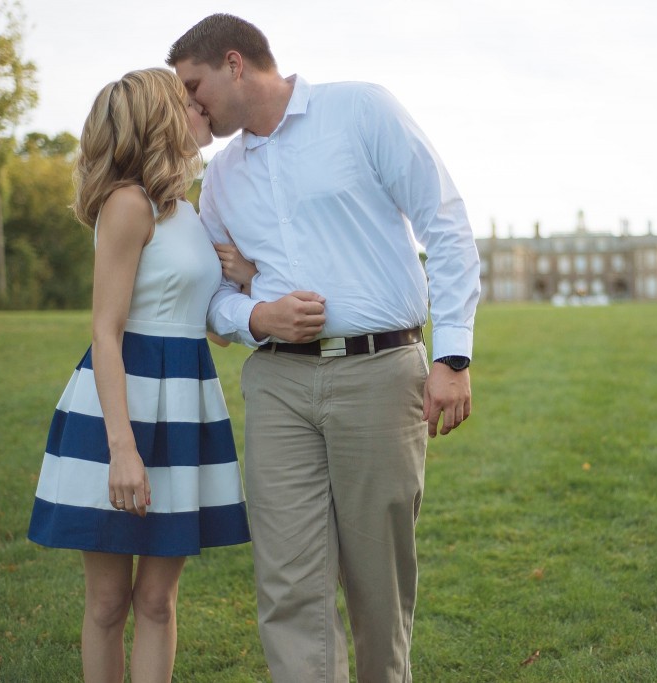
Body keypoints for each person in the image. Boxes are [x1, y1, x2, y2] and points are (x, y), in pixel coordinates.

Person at [167, 14, 481, 683]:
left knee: (378, 581)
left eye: (194, 87)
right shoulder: (219, 180)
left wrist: (453, 357)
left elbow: (446, 223)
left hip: (381, 372)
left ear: (233, 62)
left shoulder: (359, 109)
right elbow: (214, 299)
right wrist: (258, 313)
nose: (190, 105)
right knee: (288, 584)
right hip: (278, 387)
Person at [27, 67, 251, 683]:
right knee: (107, 603)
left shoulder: (187, 210)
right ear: (158, 118)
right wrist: (121, 449)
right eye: (185, 102)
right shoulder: (128, 203)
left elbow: (203, 320)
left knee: (157, 600)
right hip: (120, 410)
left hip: (184, 404)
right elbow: (106, 329)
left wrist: (245, 276)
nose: (199, 107)